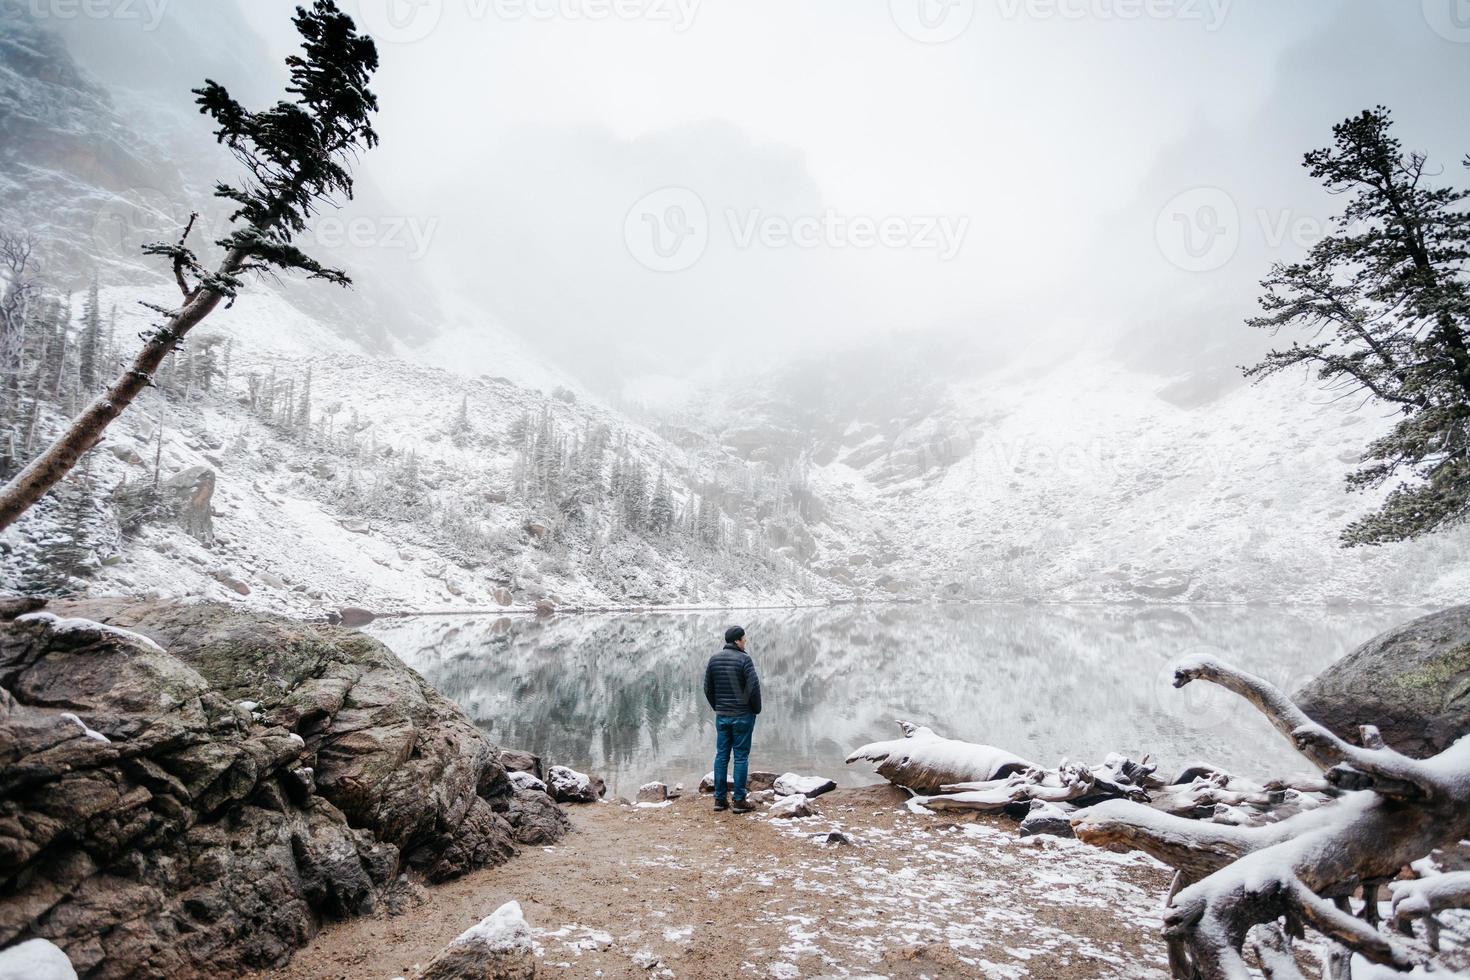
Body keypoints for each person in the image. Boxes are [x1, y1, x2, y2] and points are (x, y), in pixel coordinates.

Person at [703, 625, 762, 813]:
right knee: (741, 757)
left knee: (721, 756)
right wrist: (755, 709)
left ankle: (719, 800)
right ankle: (739, 801)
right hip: (742, 716)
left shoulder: (714, 660)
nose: (745, 642)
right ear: (737, 641)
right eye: (744, 639)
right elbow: (753, 688)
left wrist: (718, 707)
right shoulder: (744, 660)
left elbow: (707, 688)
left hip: (723, 716)